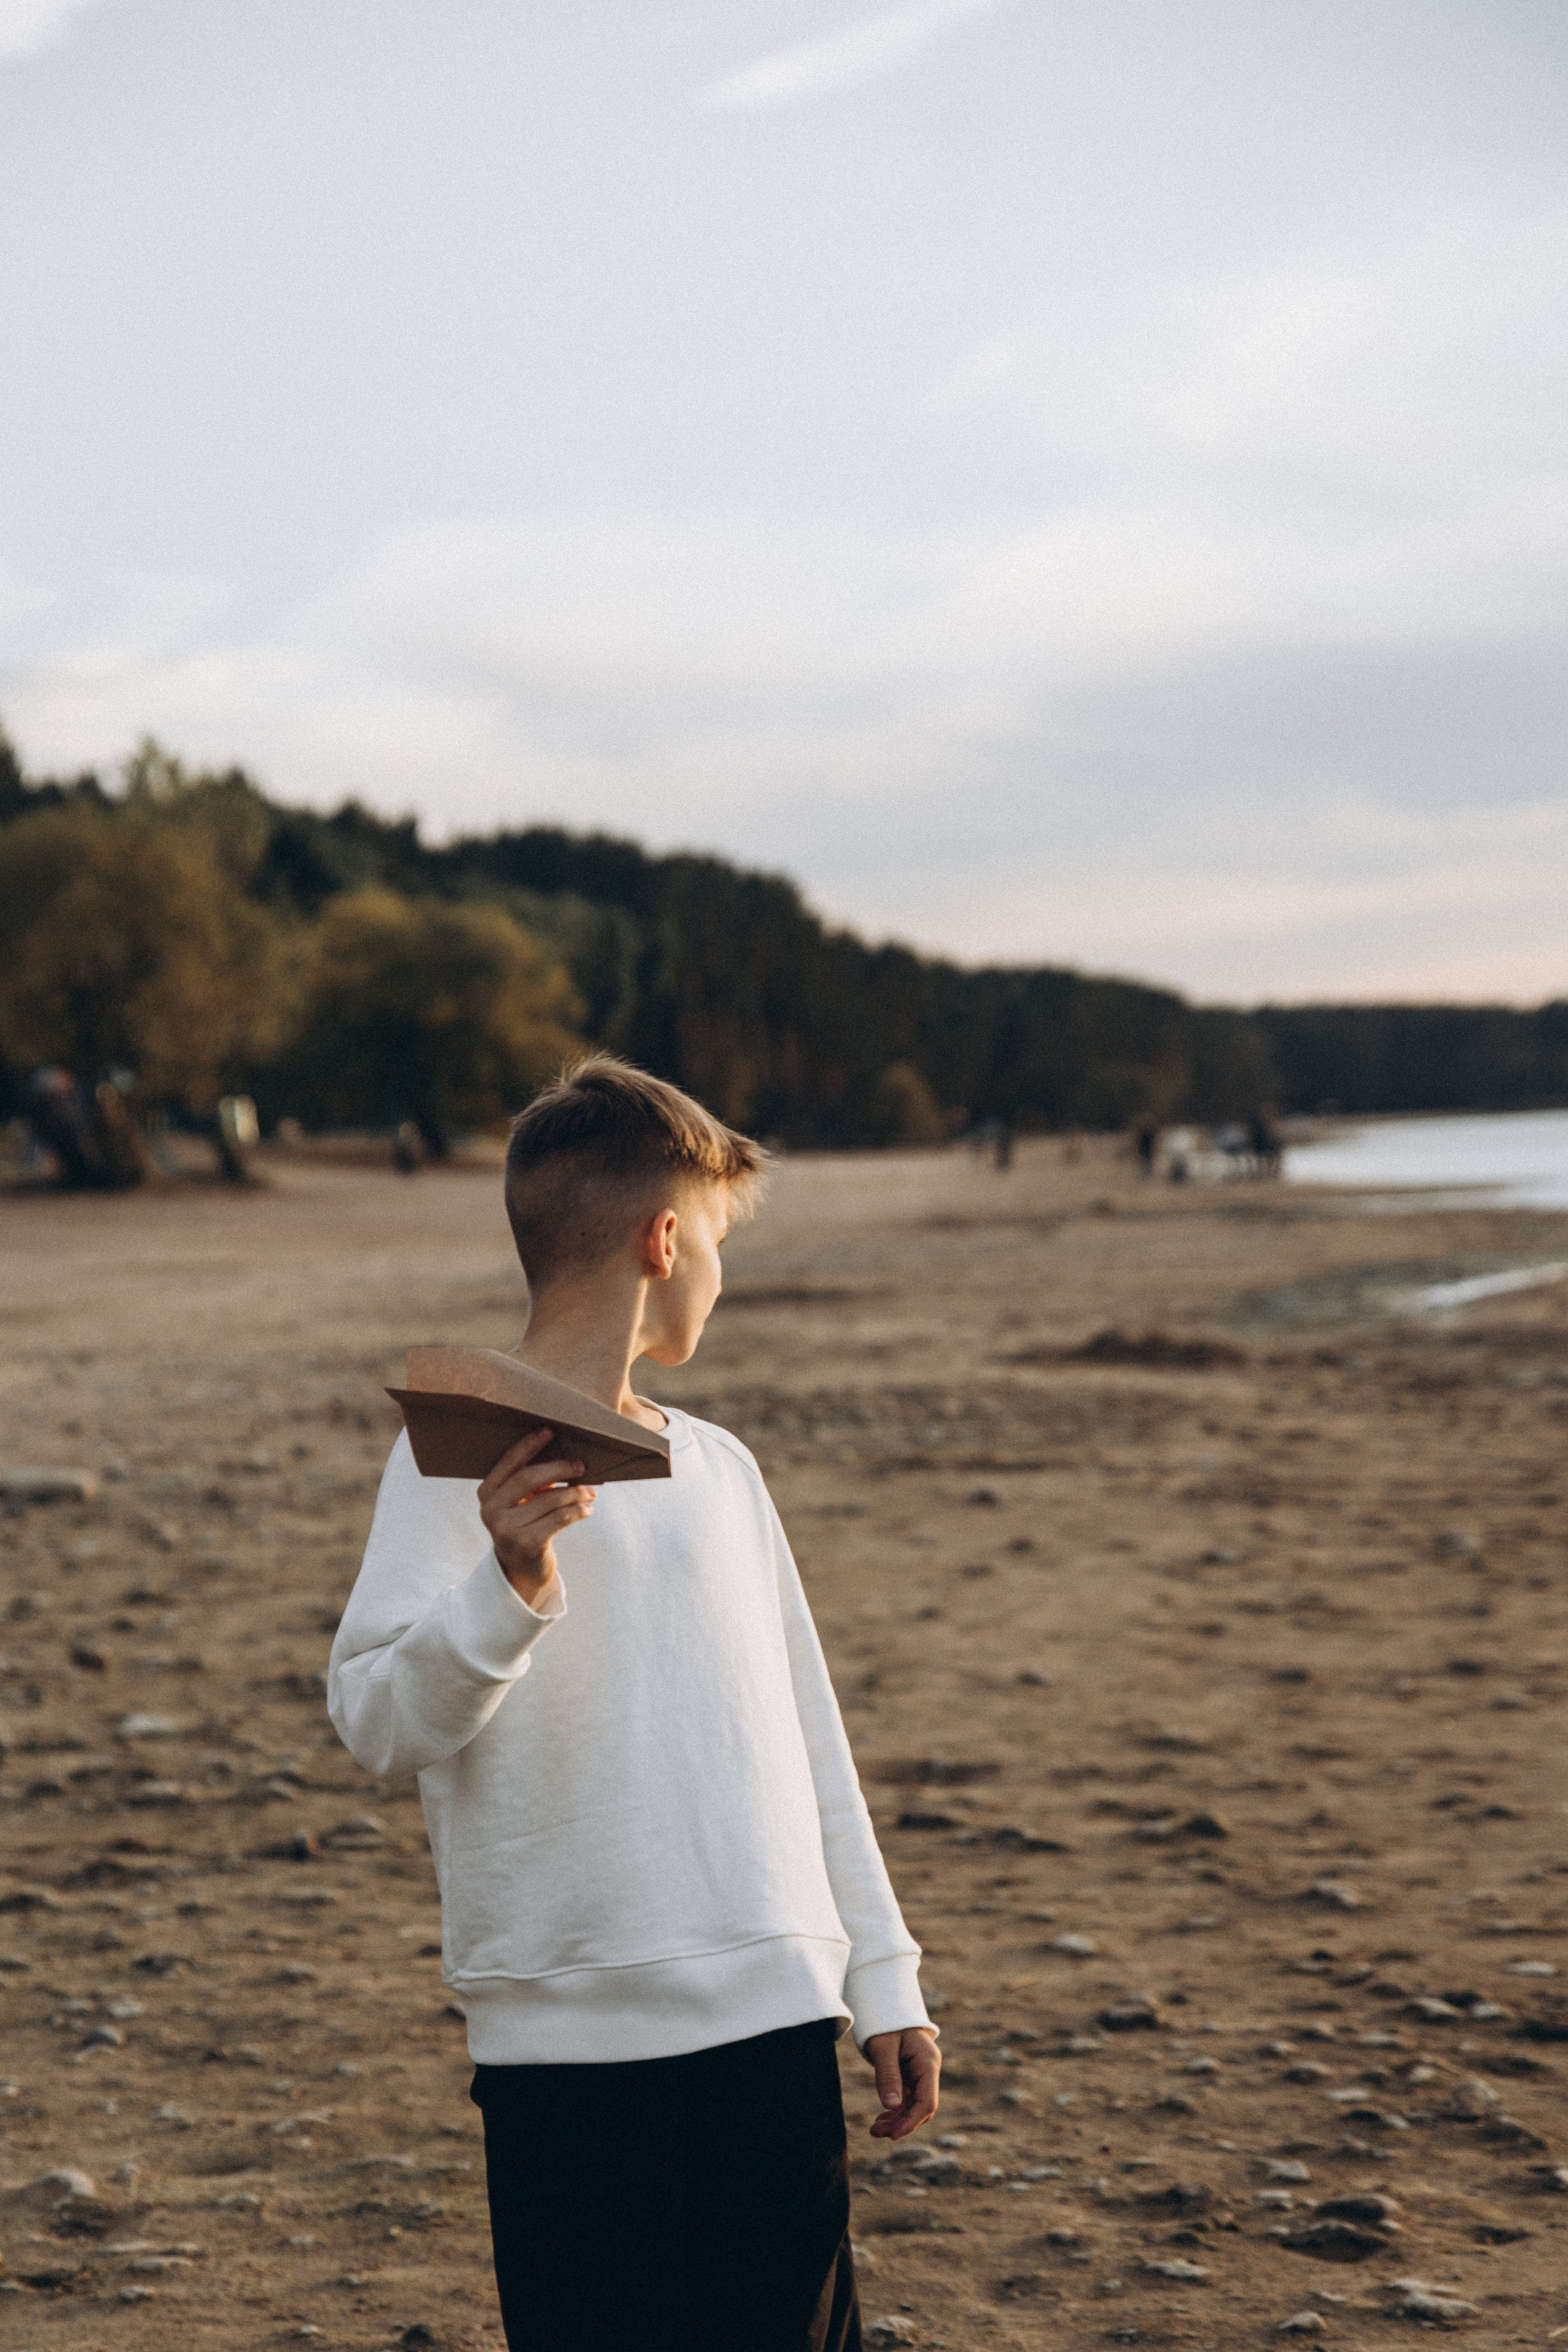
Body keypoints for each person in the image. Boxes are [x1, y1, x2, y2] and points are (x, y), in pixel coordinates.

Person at [328, 1058, 939, 2352]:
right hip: (563, 2048)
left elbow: (805, 1729)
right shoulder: (451, 1466)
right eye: (715, 1240)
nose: (716, 1272)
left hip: (773, 2018)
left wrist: (883, 1977)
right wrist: (509, 1579)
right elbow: (378, 1719)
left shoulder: (722, 1468)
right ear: (665, 1241)